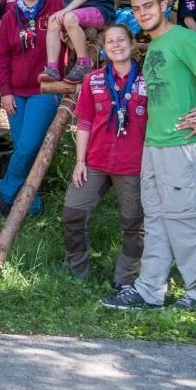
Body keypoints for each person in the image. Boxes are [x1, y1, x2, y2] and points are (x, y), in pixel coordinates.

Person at [102, 0, 196, 311]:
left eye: (148, 5)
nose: (143, 13)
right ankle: (150, 290)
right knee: (156, 220)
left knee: (183, 218)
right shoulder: (154, 46)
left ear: (164, 5)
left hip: (180, 145)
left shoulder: (183, 38)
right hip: (154, 145)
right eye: (136, 9)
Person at [64, 24, 146, 290]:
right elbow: (85, 121)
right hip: (95, 161)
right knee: (73, 213)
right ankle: (76, 273)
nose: (116, 45)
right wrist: (79, 162)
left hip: (132, 164)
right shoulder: (94, 79)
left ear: (132, 44)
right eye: (110, 41)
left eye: (121, 40)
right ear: (104, 48)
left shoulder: (148, 79)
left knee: (134, 223)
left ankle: (126, 279)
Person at [0, 0, 64, 216]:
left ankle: (5, 191)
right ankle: (29, 204)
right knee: (22, 148)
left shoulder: (55, 8)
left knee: (27, 146)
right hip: (15, 93)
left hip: (43, 89)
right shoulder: (10, 17)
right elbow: (2, 57)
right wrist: (5, 91)